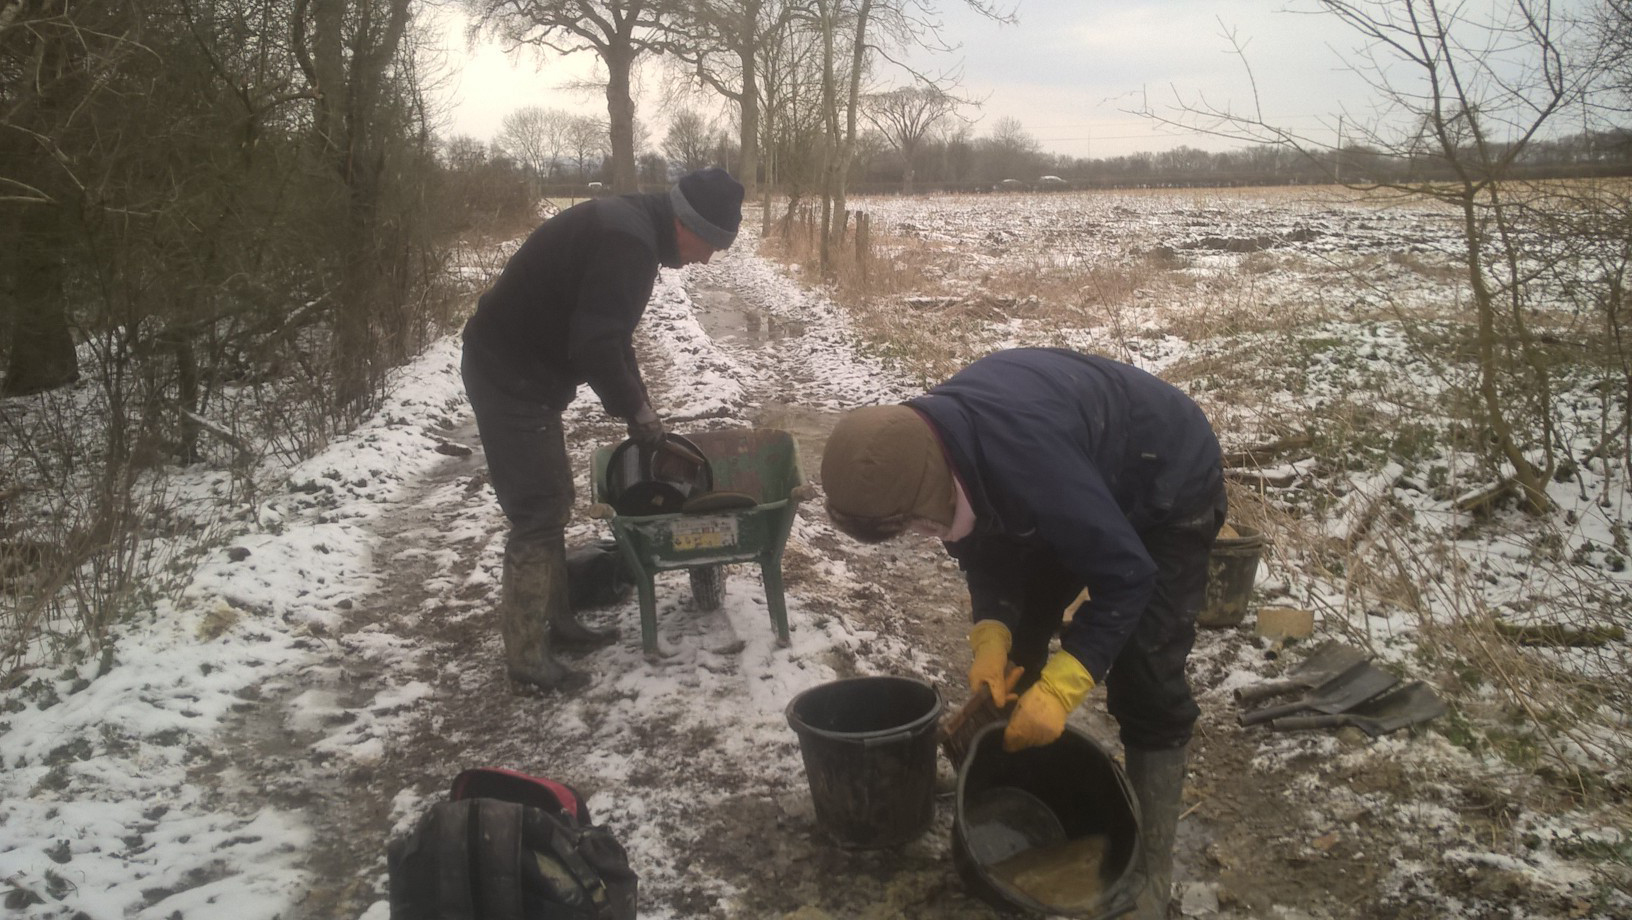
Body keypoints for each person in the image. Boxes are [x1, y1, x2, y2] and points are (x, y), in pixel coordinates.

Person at [820, 347, 1226, 919]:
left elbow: (1128, 576)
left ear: (935, 490)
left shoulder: (1032, 466)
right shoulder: (924, 446)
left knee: (1146, 672)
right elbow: (983, 545)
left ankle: (1149, 876)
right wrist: (993, 633)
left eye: (917, 525)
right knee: (1021, 641)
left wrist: (1065, 685)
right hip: (1077, 474)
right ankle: (1008, 783)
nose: (920, 535)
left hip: (1164, 480)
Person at [461, 167, 745, 691]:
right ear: (686, 223)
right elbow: (594, 346)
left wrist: (641, 406)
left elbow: (614, 336)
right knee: (538, 511)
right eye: (709, 244)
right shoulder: (628, 242)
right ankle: (527, 660)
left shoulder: (635, 228)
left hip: (525, 372)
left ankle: (560, 622)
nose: (706, 258)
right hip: (508, 374)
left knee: (553, 502)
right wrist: (635, 411)